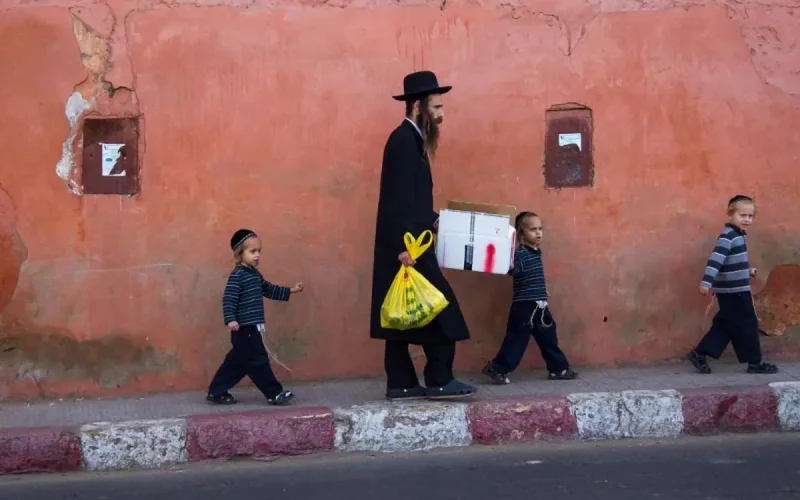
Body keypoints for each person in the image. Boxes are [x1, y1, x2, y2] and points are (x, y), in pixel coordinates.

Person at [370, 70, 476, 401]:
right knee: (442, 310)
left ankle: (401, 381)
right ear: (418, 107)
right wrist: (405, 245)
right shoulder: (403, 141)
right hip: (410, 247)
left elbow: (411, 199)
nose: (442, 116)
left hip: (410, 240)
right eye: (437, 108)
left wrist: (434, 219)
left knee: (401, 315)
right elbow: (397, 199)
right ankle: (439, 378)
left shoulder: (410, 141)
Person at [206, 229, 304, 405]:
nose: (257, 255)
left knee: (236, 363)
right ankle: (274, 393)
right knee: (258, 361)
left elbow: (268, 289)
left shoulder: (254, 274)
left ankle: (216, 391)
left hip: (251, 327)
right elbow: (228, 299)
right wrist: (231, 319)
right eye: (252, 252)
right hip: (243, 328)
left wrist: (291, 290)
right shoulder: (237, 276)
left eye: (259, 251)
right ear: (239, 253)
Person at [482, 212, 578, 384]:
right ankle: (497, 369)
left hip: (539, 305)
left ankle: (558, 369)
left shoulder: (535, 253)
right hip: (524, 307)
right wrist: (506, 254)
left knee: (548, 337)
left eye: (540, 229)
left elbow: (532, 277)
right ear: (521, 234)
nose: (539, 233)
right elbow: (514, 271)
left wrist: (541, 292)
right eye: (533, 229)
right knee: (516, 339)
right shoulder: (521, 254)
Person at [687, 195, 778, 374]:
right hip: (735, 291)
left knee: (727, 324)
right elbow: (716, 260)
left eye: (750, 216)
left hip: (733, 290)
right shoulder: (728, 236)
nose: (747, 219)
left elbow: (731, 263)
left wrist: (747, 271)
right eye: (742, 215)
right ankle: (755, 363)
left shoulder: (738, 236)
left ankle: (700, 352)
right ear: (730, 214)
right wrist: (706, 282)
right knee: (748, 324)